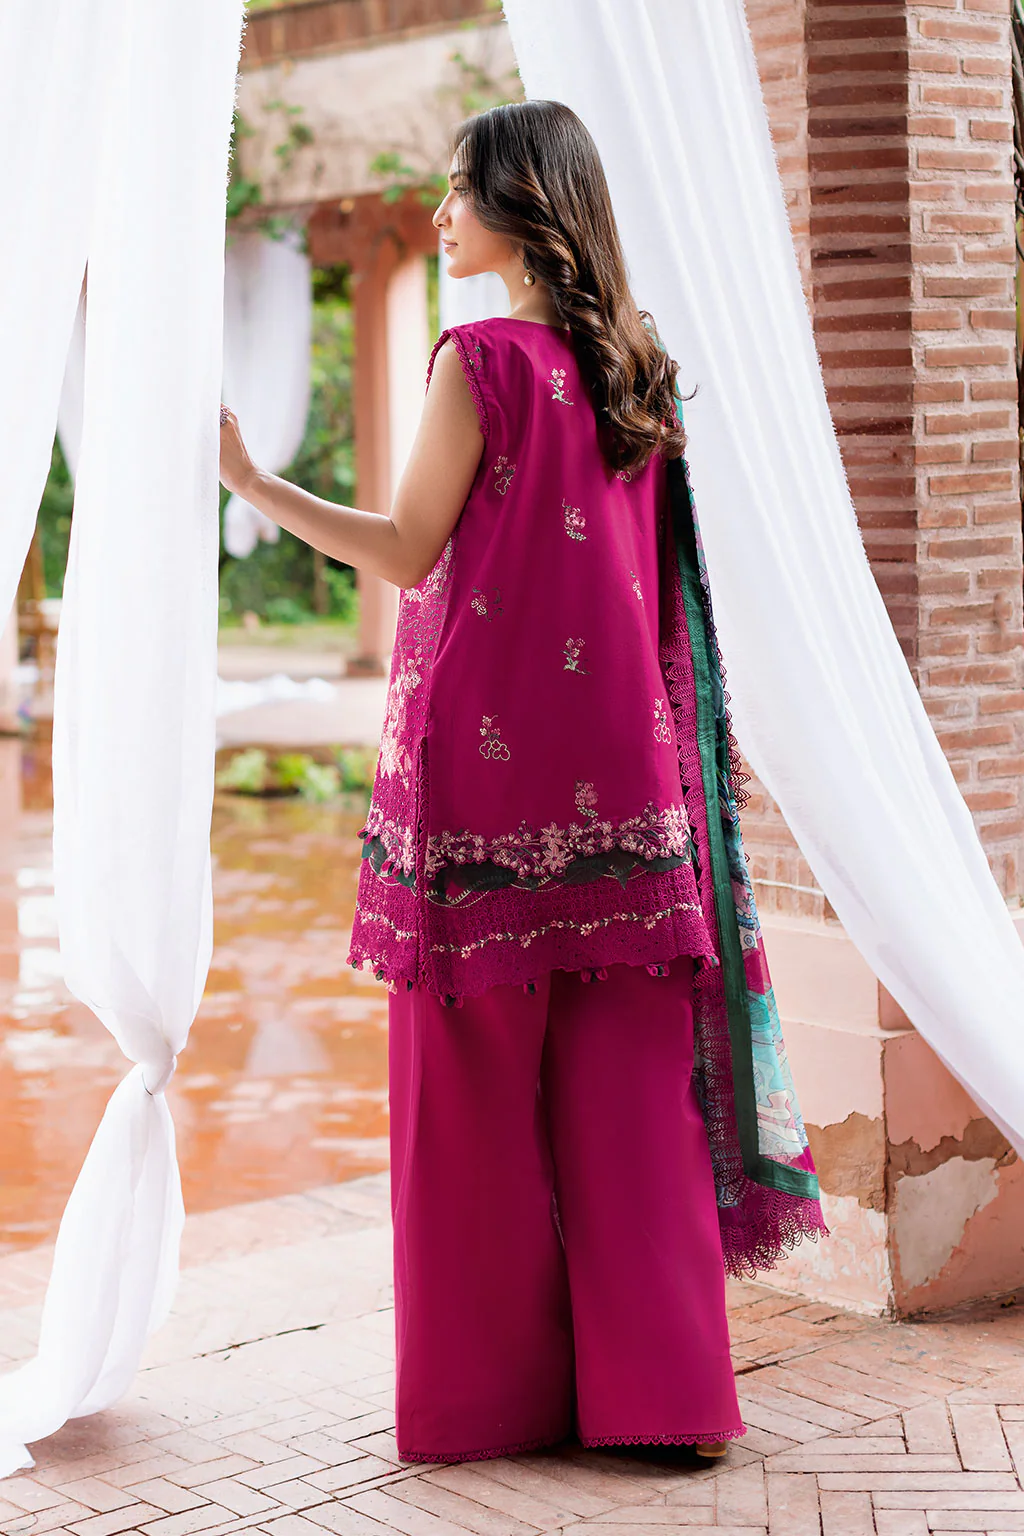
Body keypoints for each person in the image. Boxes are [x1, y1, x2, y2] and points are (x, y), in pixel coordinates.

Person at [219, 98, 828, 1469]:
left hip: (484, 788)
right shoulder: (638, 370)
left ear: (521, 201)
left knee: (468, 1104)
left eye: (459, 187)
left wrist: (254, 483)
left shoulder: (482, 361)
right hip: (629, 784)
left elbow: (405, 549)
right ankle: (665, 1401)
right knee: (632, 1105)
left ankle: (486, 1408)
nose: (442, 211)